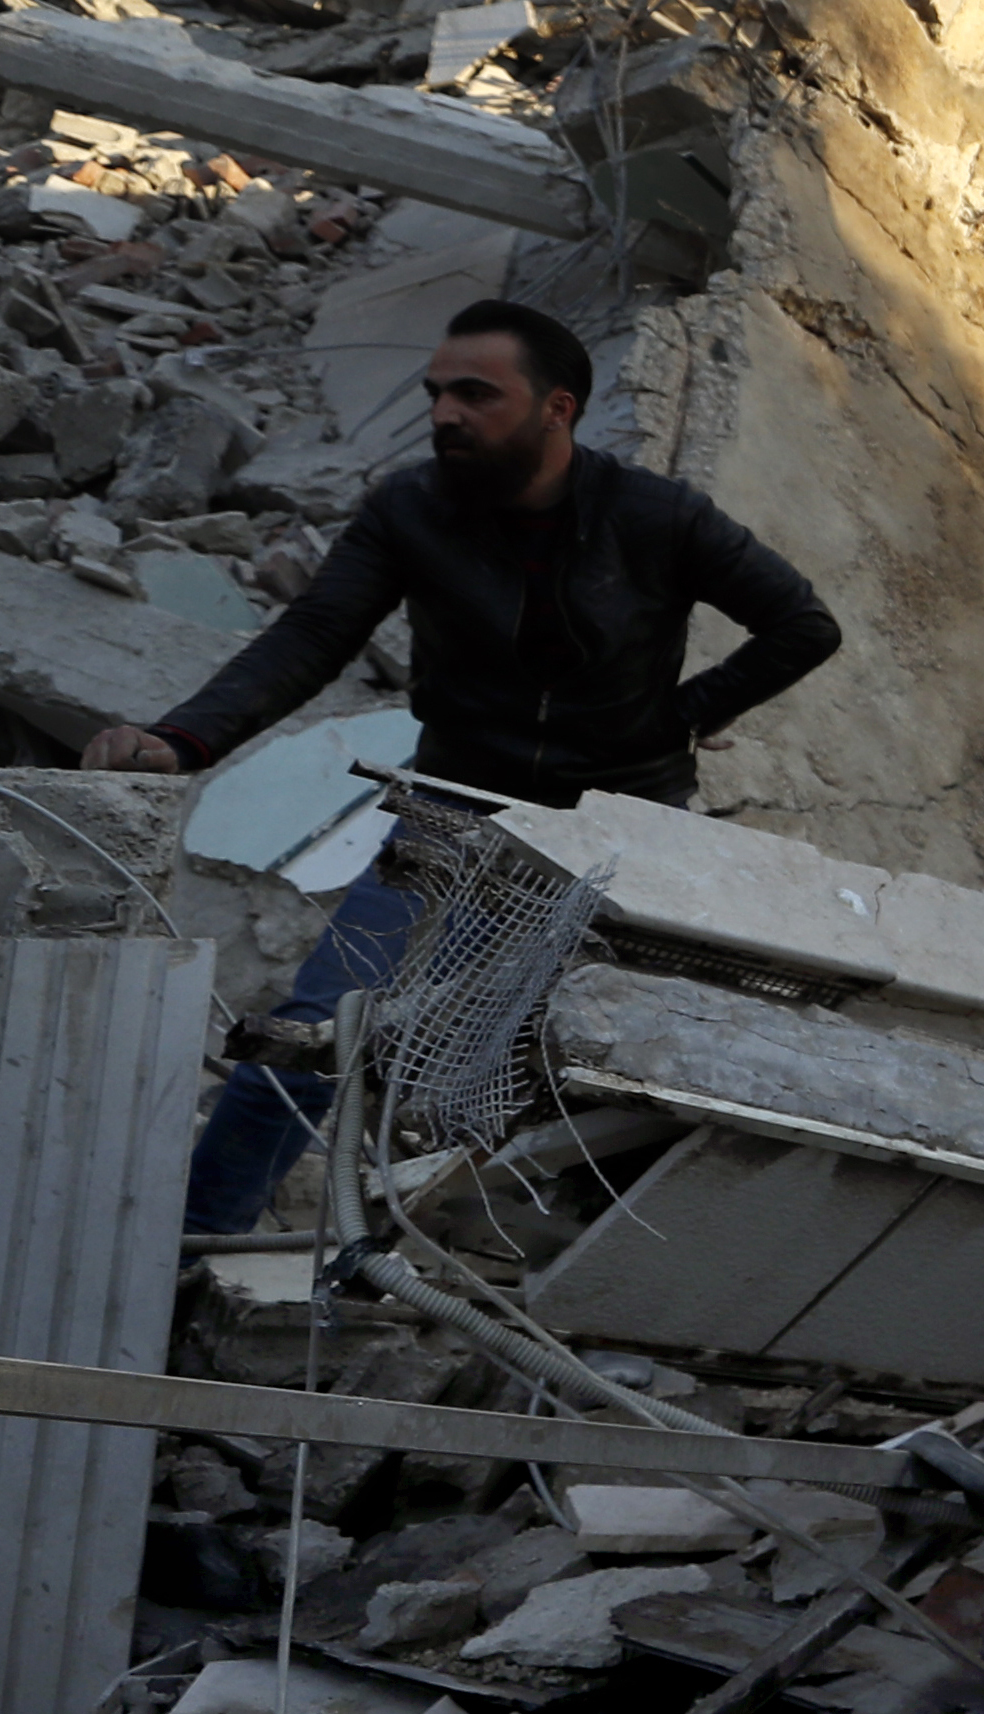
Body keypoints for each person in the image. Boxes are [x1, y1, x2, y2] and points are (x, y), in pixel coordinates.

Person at [81, 298, 844, 1232]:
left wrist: (680, 717)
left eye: (476, 394)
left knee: (618, 1068)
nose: (445, 413)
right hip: (453, 812)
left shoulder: (655, 516)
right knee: (316, 1032)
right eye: (438, 393)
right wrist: (181, 738)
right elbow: (314, 636)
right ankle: (194, 1248)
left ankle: (581, 1284)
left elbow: (802, 626)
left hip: (624, 829)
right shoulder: (411, 510)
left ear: (556, 409)